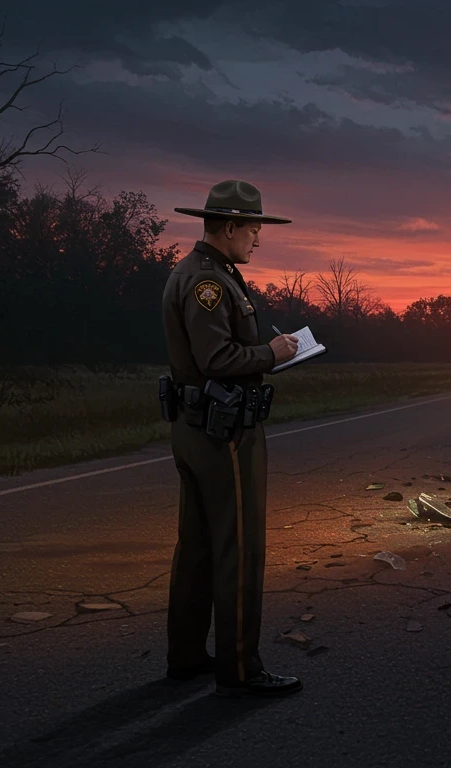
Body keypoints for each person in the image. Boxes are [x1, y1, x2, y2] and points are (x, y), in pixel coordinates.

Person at [161, 179, 303, 698]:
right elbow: (216, 360)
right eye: (252, 228)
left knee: (197, 546)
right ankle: (241, 669)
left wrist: (263, 350)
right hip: (223, 432)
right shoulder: (210, 282)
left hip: (194, 426)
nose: (257, 239)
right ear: (227, 227)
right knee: (238, 548)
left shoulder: (202, 273)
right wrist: (275, 353)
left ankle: (187, 656)